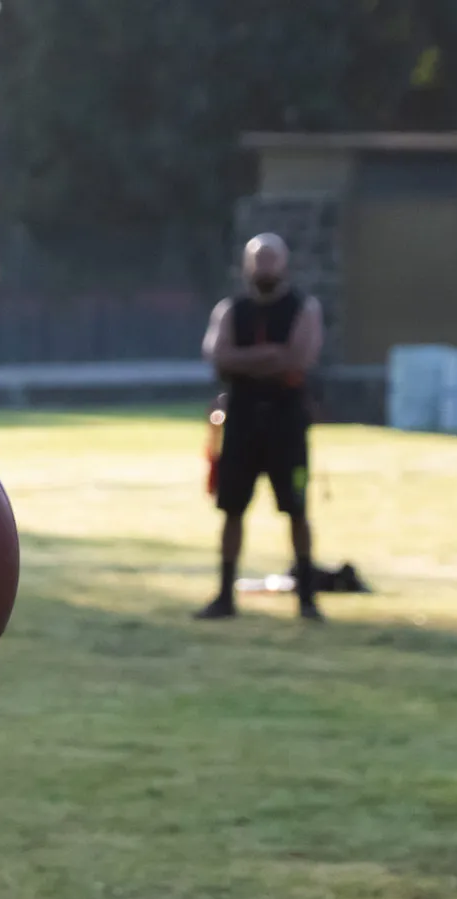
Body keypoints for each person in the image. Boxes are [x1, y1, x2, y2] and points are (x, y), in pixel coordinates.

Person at [197, 233, 326, 622]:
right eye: (259, 259)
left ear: (284, 264)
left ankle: (306, 597)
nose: (265, 266)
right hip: (241, 422)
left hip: (287, 424)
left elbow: (299, 359)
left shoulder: (303, 308)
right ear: (247, 265)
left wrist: (244, 361)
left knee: (297, 509)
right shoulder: (231, 310)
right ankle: (224, 596)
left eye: (272, 259)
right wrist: (270, 355)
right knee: (231, 509)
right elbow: (217, 356)